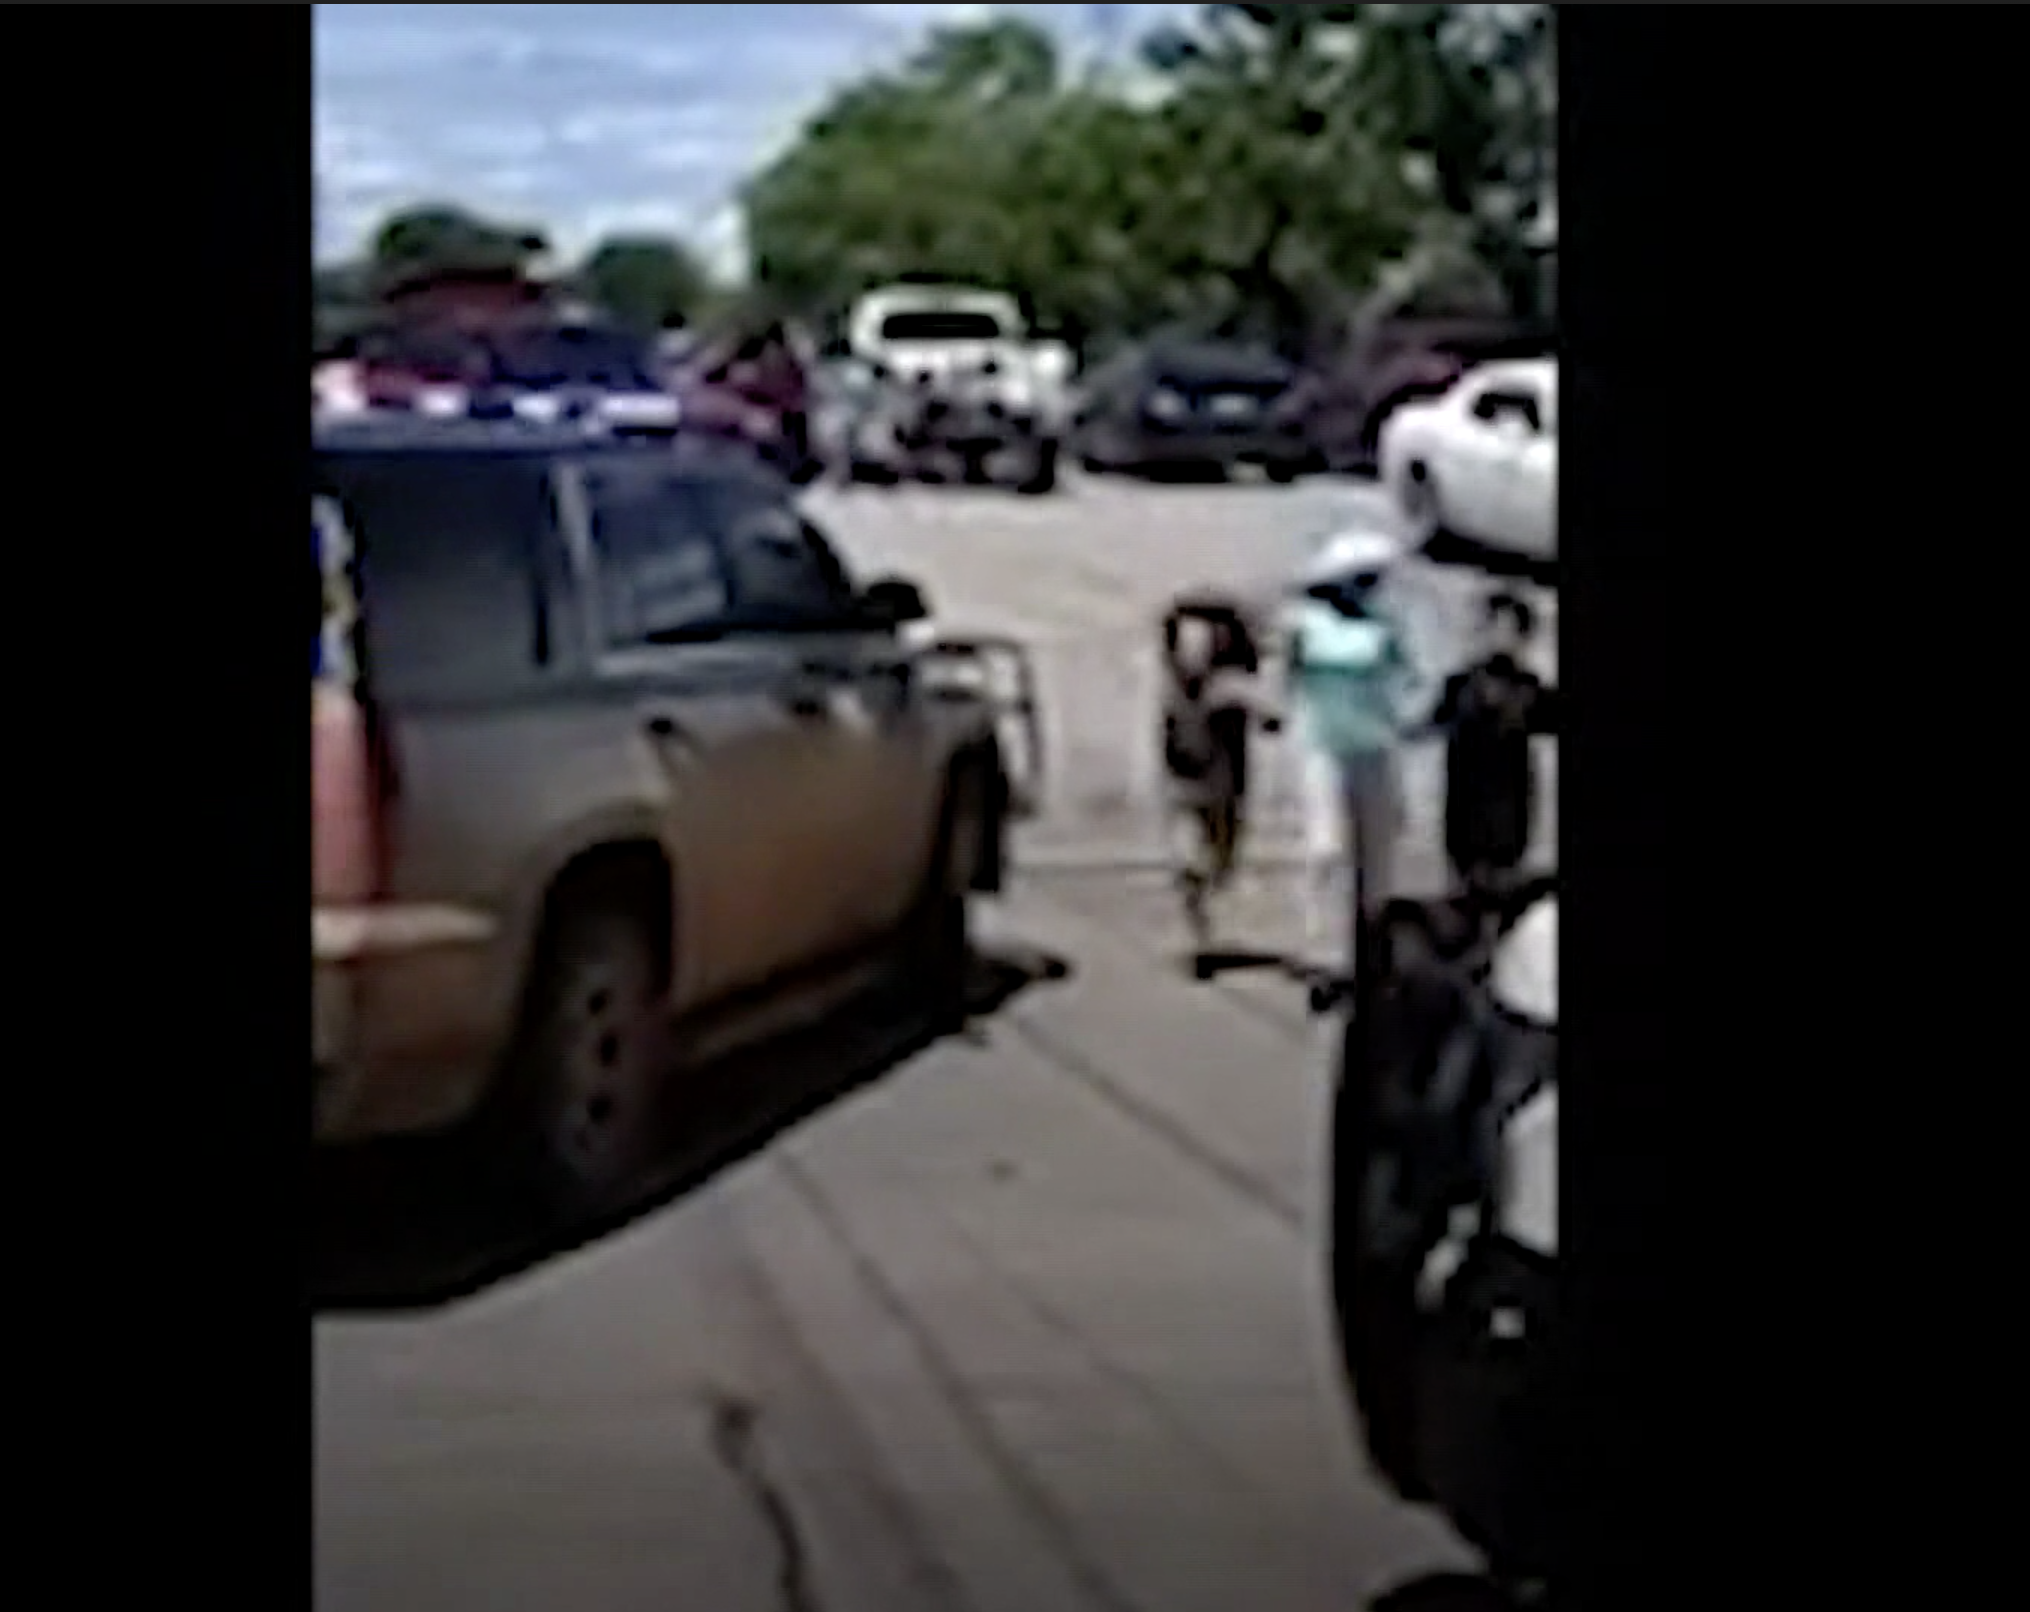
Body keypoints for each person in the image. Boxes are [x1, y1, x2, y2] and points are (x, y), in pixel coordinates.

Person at [1283, 528, 1425, 1011]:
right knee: (1328, 849)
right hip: (1323, 747)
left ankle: (1371, 953)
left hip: (1374, 750)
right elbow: (1288, 680)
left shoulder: (1384, 626)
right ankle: (1323, 957)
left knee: (1376, 858)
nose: (1371, 587)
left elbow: (1406, 681)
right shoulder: (1304, 623)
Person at [1159, 594, 1279, 974]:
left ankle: (1197, 921)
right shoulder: (1214, 685)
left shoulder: (1217, 684)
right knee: (1207, 854)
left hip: (1206, 780)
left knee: (1214, 857)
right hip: (1204, 780)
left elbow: (1265, 716)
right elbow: (1269, 718)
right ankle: (1197, 929)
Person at [1426, 590, 1557, 921]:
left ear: (1522, 637)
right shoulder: (1459, 684)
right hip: (1465, 800)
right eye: (1492, 627)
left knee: (1504, 889)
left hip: (1509, 803)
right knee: (1463, 888)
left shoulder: (1531, 687)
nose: (1498, 637)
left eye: (1508, 629)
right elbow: (1434, 722)